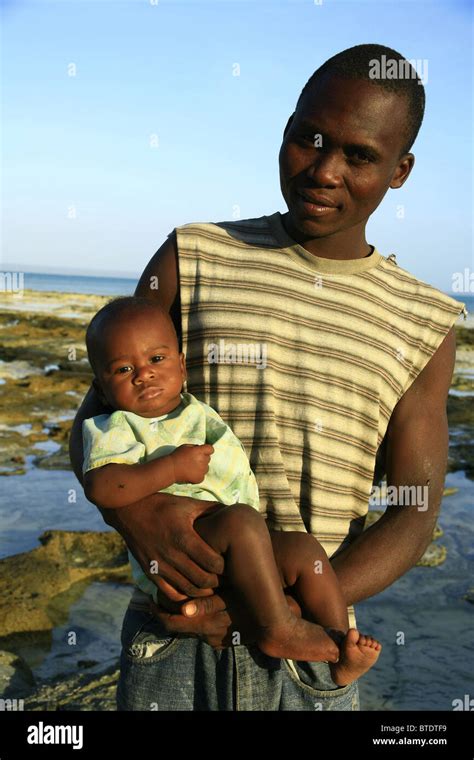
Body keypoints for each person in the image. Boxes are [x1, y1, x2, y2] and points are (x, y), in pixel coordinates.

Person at [69, 43, 466, 711]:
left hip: (315, 647)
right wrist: (132, 516)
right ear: (285, 130)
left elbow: (413, 508)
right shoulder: (193, 254)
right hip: (177, 630)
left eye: (359, 155)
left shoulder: (422, 320)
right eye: (308, 139)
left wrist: (281, 606)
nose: (324, 170)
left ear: (400, 170)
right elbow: (95, 420)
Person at [81, 296, 382, 686]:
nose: (144, 375)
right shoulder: (117, 426)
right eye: (123, 369)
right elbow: (102, 486)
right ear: (102, 390)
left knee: (306, 552)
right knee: (241, 521)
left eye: (156, 360)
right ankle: (279, 630)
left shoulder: (193, 411)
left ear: (182, 365)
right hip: (180, 559)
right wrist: (170, 468)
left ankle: (340, 647)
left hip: (240, 548)